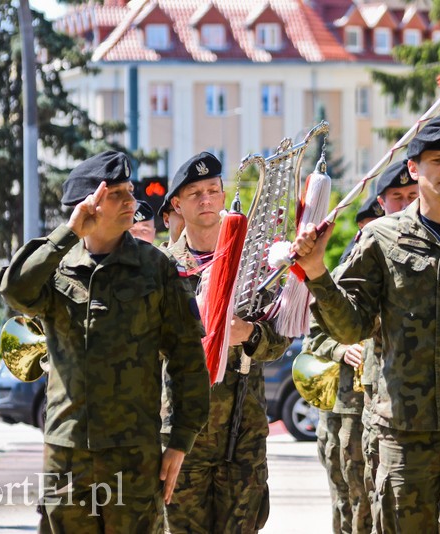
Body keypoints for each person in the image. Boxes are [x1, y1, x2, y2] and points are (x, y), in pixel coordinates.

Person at [294, 114, 440, 533]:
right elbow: (351, 327)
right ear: (413, 168)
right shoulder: (381, 240)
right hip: (403, 434)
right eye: (437, 160)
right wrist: (317, 273)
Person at [0, 150, 210, 533]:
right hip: (67, 453)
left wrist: (180, 439)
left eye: (131, 191)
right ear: (87, 206)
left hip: (134, 455)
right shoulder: (56, 264)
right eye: (117, 195)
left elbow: (187, 358)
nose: (132, 201)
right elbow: (15, 290)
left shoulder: (156, 268)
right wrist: (68, 234)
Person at [161, 152, 291, 534]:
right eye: (195, 193)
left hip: (242, 431)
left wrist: (248, 334)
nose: (206, 200)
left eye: (213, 191)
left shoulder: (251, 266)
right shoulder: (162, 268)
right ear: (177, 204)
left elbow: (281, 338)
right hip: (181, 432)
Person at [310, 159, 416, 533]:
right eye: (395, 199)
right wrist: (343, 350)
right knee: (353, 498)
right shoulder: (344, 273)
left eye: (411, 197)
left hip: (392, 404)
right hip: (351, 404)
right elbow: (314, 337)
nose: (404, 206)